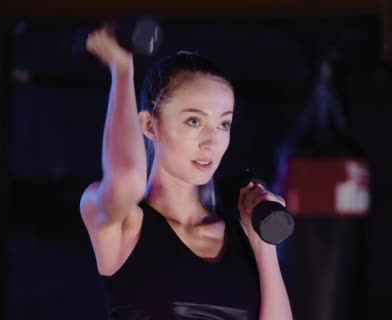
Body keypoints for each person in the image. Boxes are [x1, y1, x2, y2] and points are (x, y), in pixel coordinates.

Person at [79, 26, 293, 319]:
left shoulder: (240, 238)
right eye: (194, 121)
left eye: (224, 124)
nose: (212, 141)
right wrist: (122, 69)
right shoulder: (123, 225)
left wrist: (263, 247)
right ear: (150, 125)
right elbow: (127, 178)